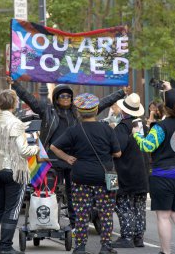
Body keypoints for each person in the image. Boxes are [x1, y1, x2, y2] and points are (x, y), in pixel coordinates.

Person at [8, 76, 130, 228]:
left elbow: (102, 103)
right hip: (51, 158)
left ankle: (74, 226)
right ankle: (48, 223)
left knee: (73, 195)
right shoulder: (47, 110)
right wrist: (16, 85)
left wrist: (120, 93)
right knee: (49, 193)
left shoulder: (79, 112)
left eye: (68, 96)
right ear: (56, 98)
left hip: (74, 159)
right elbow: (29, 99)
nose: (65, 98)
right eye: (62, 95)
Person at [132, 82, 175, 254]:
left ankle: (166, 251)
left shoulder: (160, 128)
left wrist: (137, 134)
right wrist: (170, 91)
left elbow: (147, 146)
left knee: (163, 216)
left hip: (163, 176)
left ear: (165, 109)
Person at [50, 93, 122, 254]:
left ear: (79, 112)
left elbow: (54, 147)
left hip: (80, 176)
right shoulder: (107, 129)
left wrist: (67, 158)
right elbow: (118, 154)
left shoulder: (74, 130)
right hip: (105, 177)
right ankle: (105, 246)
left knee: (81, 212)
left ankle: (80, 246)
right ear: (96, 110)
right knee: (106, 212)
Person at [0, 89, 40, 254]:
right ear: (14, 104)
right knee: (12, 209)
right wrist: (37, 148)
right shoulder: (16, 123)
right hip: (13, 171)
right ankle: (5, 247)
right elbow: (23, 150)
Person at [112, 93, 150, 249]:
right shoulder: (144, 127)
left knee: (125, 204)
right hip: (143, 172)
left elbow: (117, 151)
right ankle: (138, 237)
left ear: (124, 110)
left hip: (126, 173)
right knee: (139, 206)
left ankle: (127, 236)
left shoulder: (122, 127)